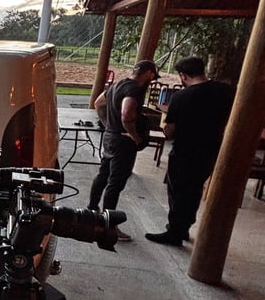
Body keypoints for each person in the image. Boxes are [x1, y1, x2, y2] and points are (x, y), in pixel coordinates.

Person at [145, 56, 234, 247]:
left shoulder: (181, 97)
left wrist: (165, 128)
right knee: (194, 190)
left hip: (185, 151)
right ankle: (184, 227)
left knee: (177, 191)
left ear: (183, 76)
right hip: (210, 150)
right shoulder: (224, 91)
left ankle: (174, 232)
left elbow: (169, 130)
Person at [88, 59, 159, 241]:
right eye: (152, 77)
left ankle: (91, 210)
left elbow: (98, 103)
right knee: (116, 183)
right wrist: (135, 136)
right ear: (148, 73)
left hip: (110, 136)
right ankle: (108, 225)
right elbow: (127, 114)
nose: (151, 81)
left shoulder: (117, 84)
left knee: (103, 174)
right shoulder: (134, 89)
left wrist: (107, 124)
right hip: (123, 141)